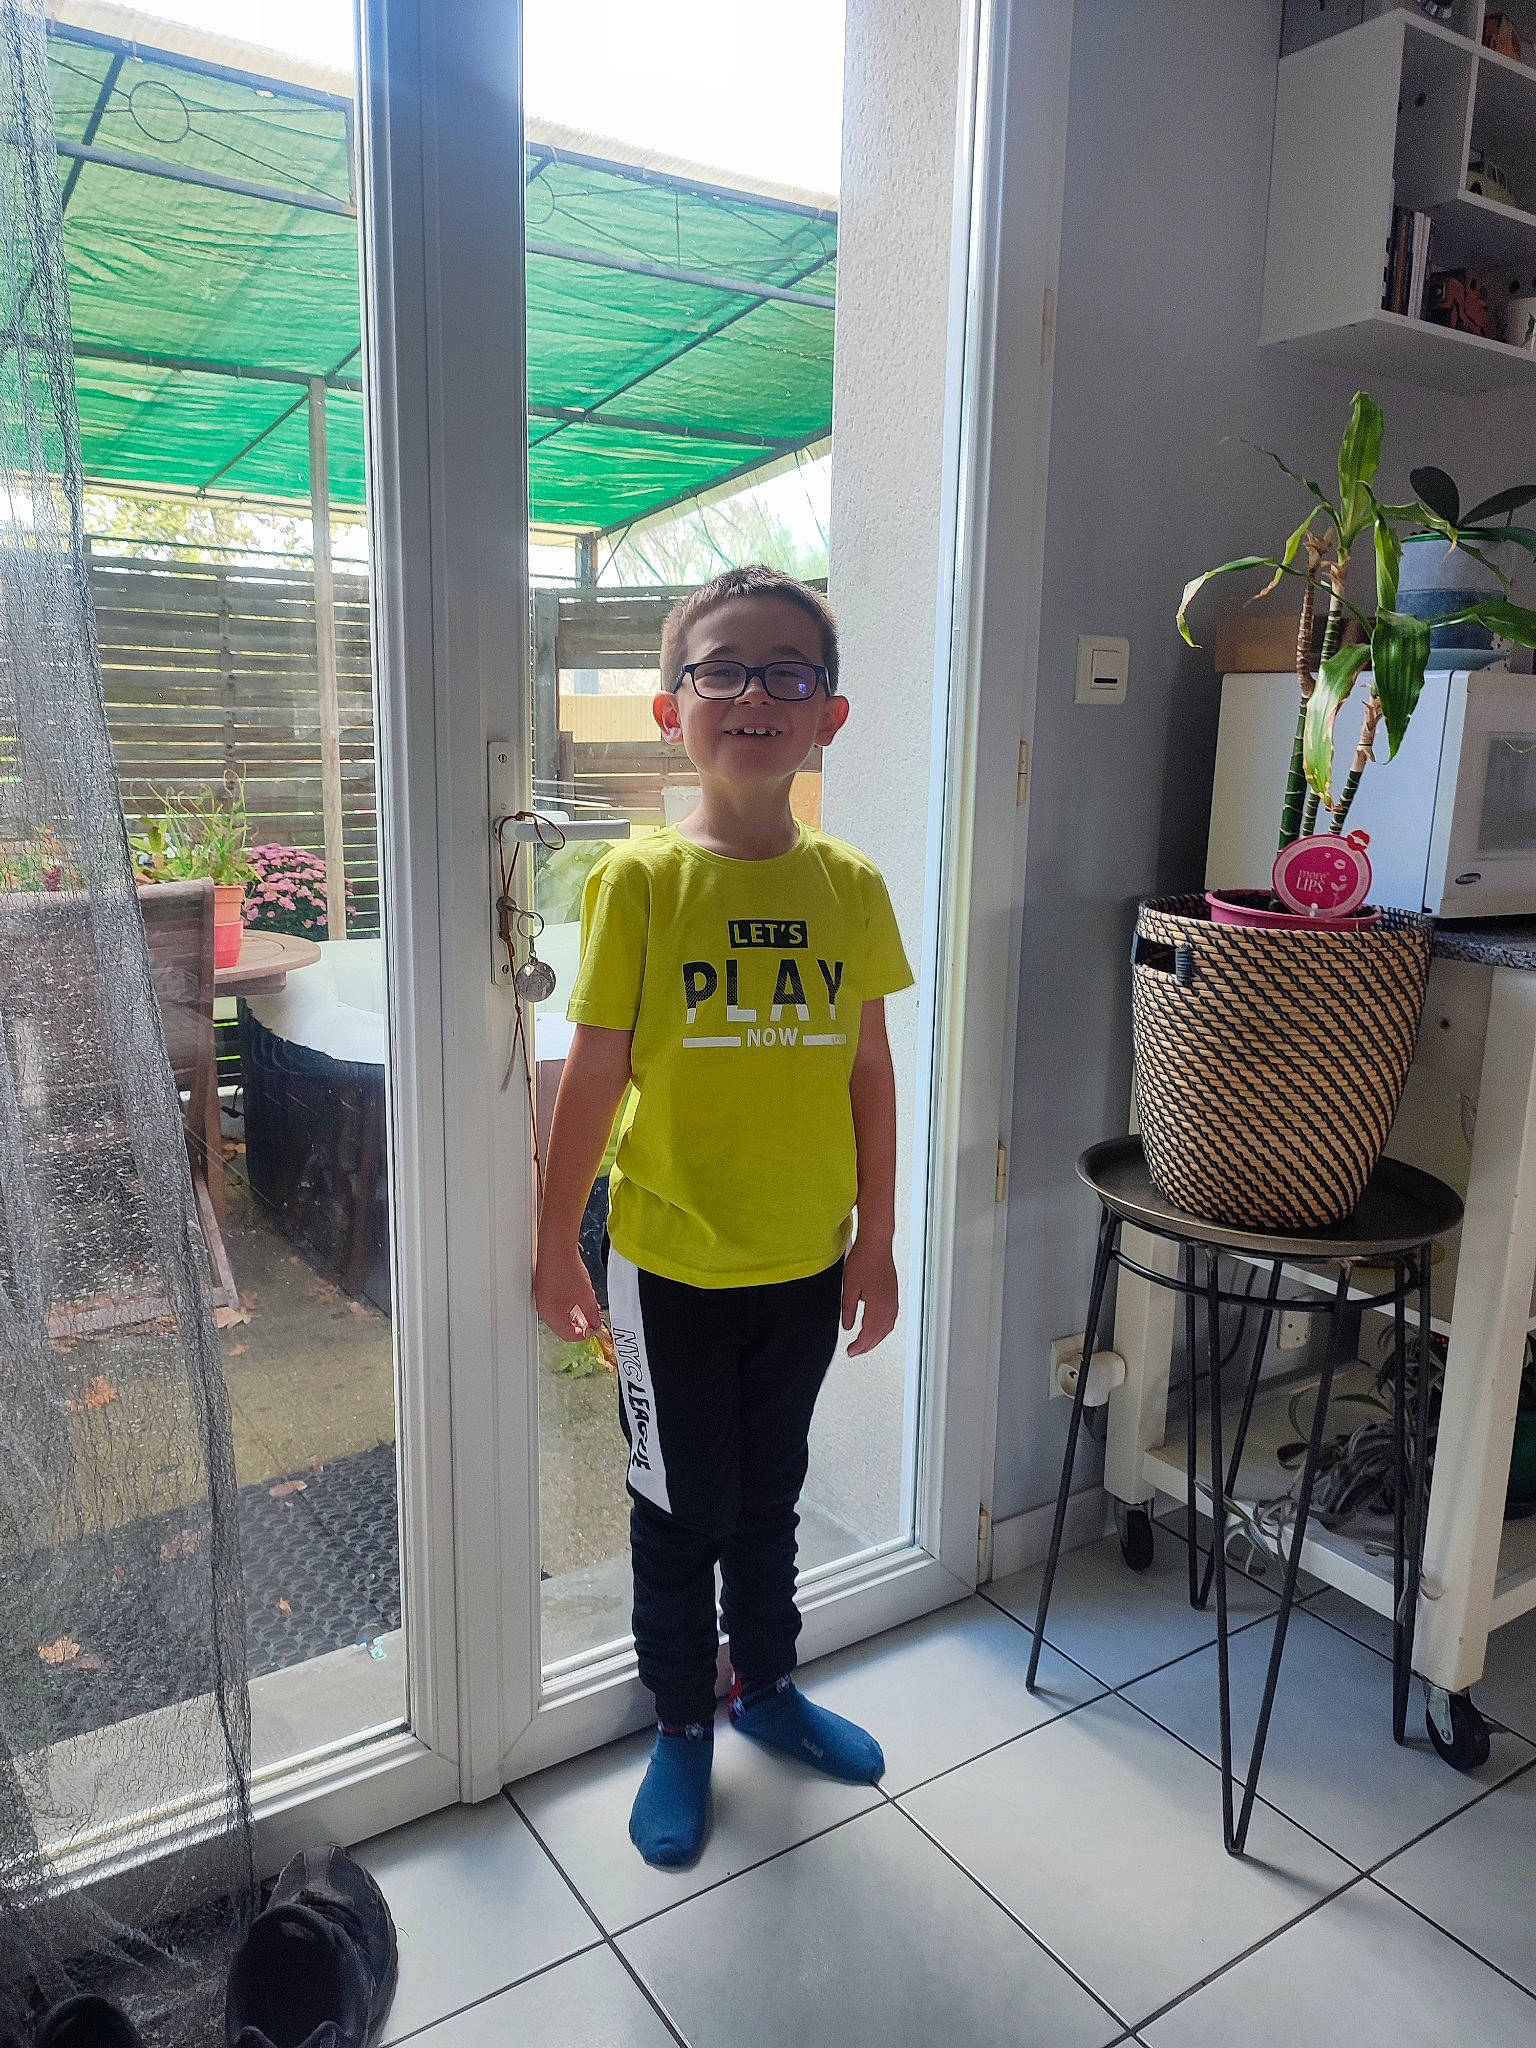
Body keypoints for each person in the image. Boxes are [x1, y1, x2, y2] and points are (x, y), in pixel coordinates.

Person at [533, 564, 913, 1869]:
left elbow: (870, 1070)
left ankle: (770, 1690)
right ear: (669, 706)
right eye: (723, 668)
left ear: (830, 714)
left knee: (769, 1497)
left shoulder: (851, 887)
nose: (755, 693)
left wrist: (878, 1239)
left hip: (805, 1263)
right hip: (668, 1266)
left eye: (788, 672)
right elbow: (591, 1076)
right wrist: (551, 1241)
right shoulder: (638, 884)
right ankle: (682, 1722)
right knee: (676, 1509)